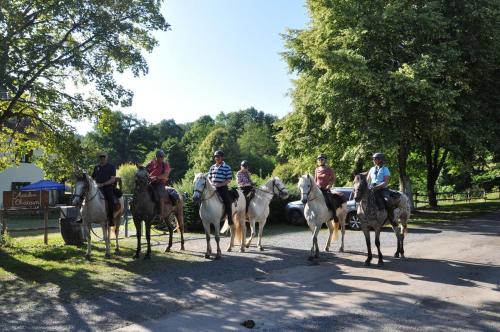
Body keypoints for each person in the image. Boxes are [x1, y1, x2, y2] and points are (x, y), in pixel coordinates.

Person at [208, 150, 234, 225]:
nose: (216, 158)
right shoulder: (212, 167)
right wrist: (212, 184)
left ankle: (229, 218)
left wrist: (219, 185)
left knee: (227, 201)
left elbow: (228, 179)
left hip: (222, 187)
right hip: (212, 187)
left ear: (222, 158)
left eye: (218, 157)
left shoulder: (227, 167)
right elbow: (209, 177)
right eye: (215, 157)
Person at [367, 152, 393, 222]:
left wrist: (377, 187)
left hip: (382, 189)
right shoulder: (372, 169)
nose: (373, 160)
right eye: (373, 159)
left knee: (387, 200)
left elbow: (385, 182)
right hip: (372, 189)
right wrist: (368, 187)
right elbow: (368, 180)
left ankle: (391, 217)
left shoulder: (385, 169)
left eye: (375, 159)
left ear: (380, 160)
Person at [91, 153, 116, 226]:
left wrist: (103, 184)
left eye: (103, 157)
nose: (102, 159)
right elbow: (93, 178)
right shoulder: (96, 167)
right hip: (97, 187)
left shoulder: (111, 167)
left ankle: (111, 219)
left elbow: (113, 179)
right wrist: (94, 184)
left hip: (107, 187)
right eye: (101, 158)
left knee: (110, 199)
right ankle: (83, 215)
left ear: (107, 158)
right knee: (85, 196)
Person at [146, 149, 171, 220]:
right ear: (156, 156)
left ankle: (161, 214)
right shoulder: (151, 163)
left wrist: (156, 177)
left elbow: (166, 174)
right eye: (160, 157)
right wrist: (148, 177)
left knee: (160, 195)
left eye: (162, 157)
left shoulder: (165, 164)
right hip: (150, 182)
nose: (162, 158)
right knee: (141, 190)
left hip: (160, 183)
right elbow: (146, 171)